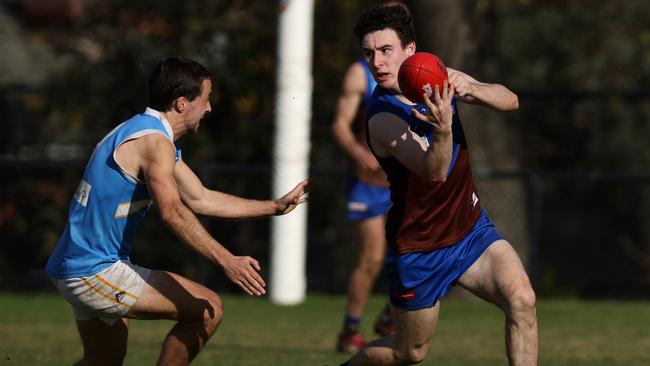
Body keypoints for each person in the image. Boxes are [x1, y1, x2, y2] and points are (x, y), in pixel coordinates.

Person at [45, 57, 311, 366]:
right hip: (94, 269)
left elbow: (200, 198)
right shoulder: (154, 143)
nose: (210, 108)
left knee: (104, 359)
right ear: (182, 103)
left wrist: (274, 207)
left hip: (75, 265)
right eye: (206, 99)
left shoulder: (145, 132)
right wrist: (227, 260)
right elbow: (173, 212)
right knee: (208, 308)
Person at [340, 5, 538, 366]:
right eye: (369, 53)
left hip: (470, 229)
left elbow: (511, 101)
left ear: (410, 50)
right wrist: (443, 128)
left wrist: (472, 86)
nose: (377, 63)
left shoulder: (436, 75)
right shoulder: (382, 117)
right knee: (409, 352)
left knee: (522, 299)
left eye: (385, 50)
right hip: (420, 246)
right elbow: (435, 171)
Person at [331, 56, 394, 353]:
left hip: (403, 183)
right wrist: (359, 153)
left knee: (418, 255)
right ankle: (350, 329)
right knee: (372, 258)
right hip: (367, 183)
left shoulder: (417, 71)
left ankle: (389, 316)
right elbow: (341, 124)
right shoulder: (360, 74)